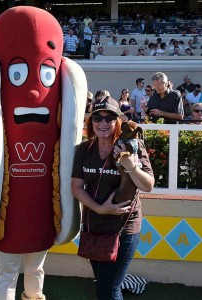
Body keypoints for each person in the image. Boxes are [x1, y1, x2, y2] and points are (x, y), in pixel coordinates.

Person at [72, 96, 154, 300]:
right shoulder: (84, 149)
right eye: (97, 118)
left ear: (118, 121)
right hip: (94, 225)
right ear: (90, 121)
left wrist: (130, 165)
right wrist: (100, 209)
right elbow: (77, 187)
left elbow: (148, 185)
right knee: (104, 283)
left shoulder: (131, 147)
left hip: (123, 228)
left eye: (109, 118)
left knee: (108, 290)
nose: (102, 123)